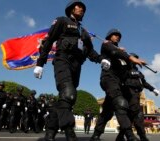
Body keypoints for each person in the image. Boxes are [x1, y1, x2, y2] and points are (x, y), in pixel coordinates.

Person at [33, 1, 110, 140]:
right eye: (78, 6)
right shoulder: (62, 21)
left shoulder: (84, 32)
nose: (81, 9)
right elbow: (49, 41)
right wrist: (40, 63)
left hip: (77, 65)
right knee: (69, 94)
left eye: (83, 8)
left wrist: (101, 59)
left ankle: (50, 132)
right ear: (70, 9)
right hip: (63, 60)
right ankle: (70, 132)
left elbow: (90, 52)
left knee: (66, 99)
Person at [90, 28, 146, 141]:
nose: (117, 37)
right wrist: (129, 57)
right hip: (108, 79)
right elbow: (115, 52)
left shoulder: (122, 53)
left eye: (119, 36)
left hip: (118, 83)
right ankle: (130, 135)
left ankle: (96, 135)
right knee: (121, 103)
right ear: (109, 36)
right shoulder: (106, 45)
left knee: (107, 111)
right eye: (114, 35)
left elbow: (126, 67)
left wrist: (131, 61)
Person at [115, 53, 159, 141]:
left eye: (136, 59)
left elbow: (144, 83)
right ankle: (142, 137)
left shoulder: (139, 72)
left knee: (132, 117)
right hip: (128, 94)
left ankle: (121, 137)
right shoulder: (123, 68)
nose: (135, 61)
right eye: (134, 59)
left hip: (137, 95)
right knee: (137, 115)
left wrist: (153, 89)